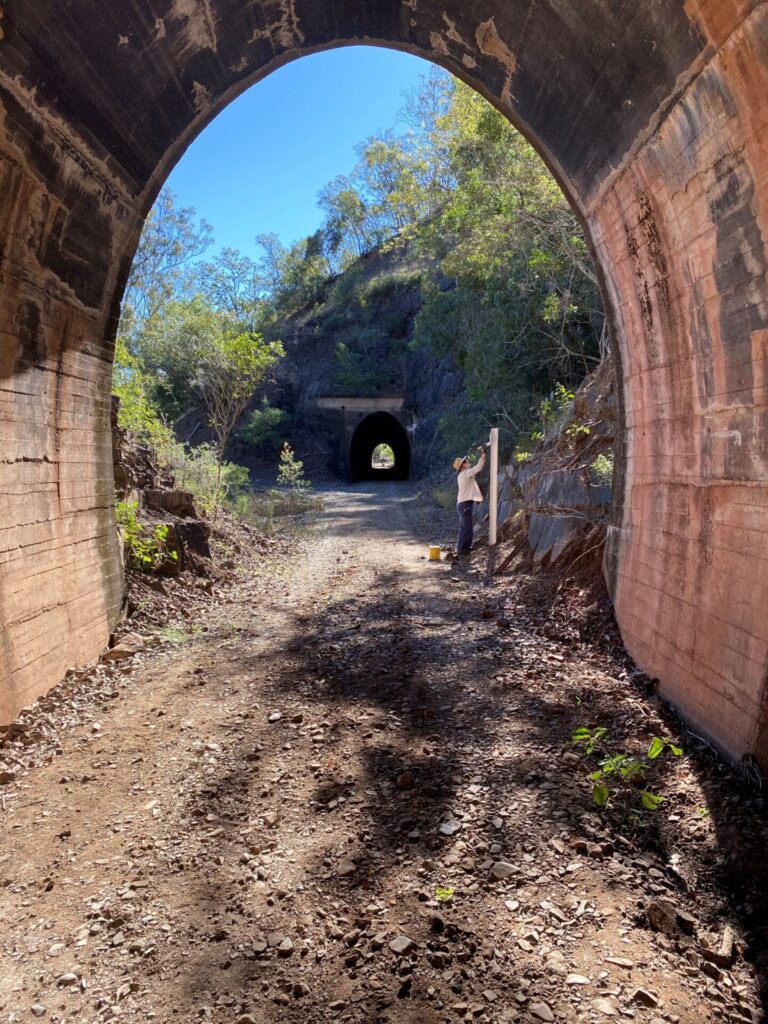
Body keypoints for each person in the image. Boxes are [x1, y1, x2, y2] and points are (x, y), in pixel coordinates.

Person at [453, 446, 486, 555]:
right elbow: (478, 468)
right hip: (465, 504)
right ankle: (462, 549)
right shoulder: (465, 474)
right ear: (462, 466)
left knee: (466, 527)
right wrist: (483, 453)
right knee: (466, 527)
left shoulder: (463, 475)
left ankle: (464, 548)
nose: (467, 462)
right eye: (466, 461)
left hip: (464, 503)